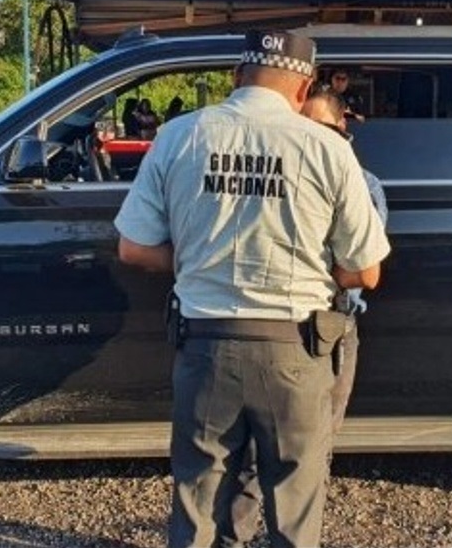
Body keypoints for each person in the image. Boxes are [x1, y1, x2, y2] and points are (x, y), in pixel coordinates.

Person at [114, 30, 391, 548]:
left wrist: (199, 259)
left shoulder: (179, 136)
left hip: (204, 347)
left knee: (198, 504)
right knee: (294, 507)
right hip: (297, 350)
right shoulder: (328, 148)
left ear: (235, 77)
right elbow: (365, 272)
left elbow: (133, 249)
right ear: (304, 87)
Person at [225, 87, 389, 546]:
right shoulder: (271, 173)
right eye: (302, 125)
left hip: (328, 330)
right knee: (252, 459)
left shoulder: (362, 182)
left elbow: (357, 271)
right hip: (273, 327)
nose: (309, 137)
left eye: (321, 128)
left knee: (310, 454)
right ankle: (231, 536)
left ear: (343, 133)